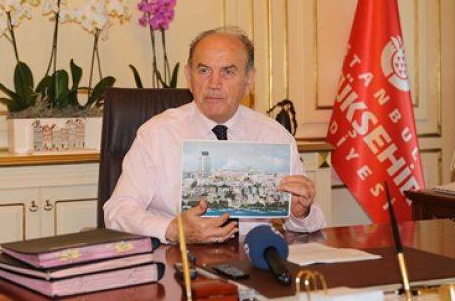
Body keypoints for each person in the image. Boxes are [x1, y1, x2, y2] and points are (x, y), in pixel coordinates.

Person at [103, 26, 326, 243]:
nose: (214, 84)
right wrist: (172, 229)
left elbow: (310, 225)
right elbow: (117, 212)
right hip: (178, 257)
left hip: (251, 256)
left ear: (249, 80)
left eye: (228, 72)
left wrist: (300, 212)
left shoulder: (274, 137)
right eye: (204, 71)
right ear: (188, 76)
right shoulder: (157, 134)